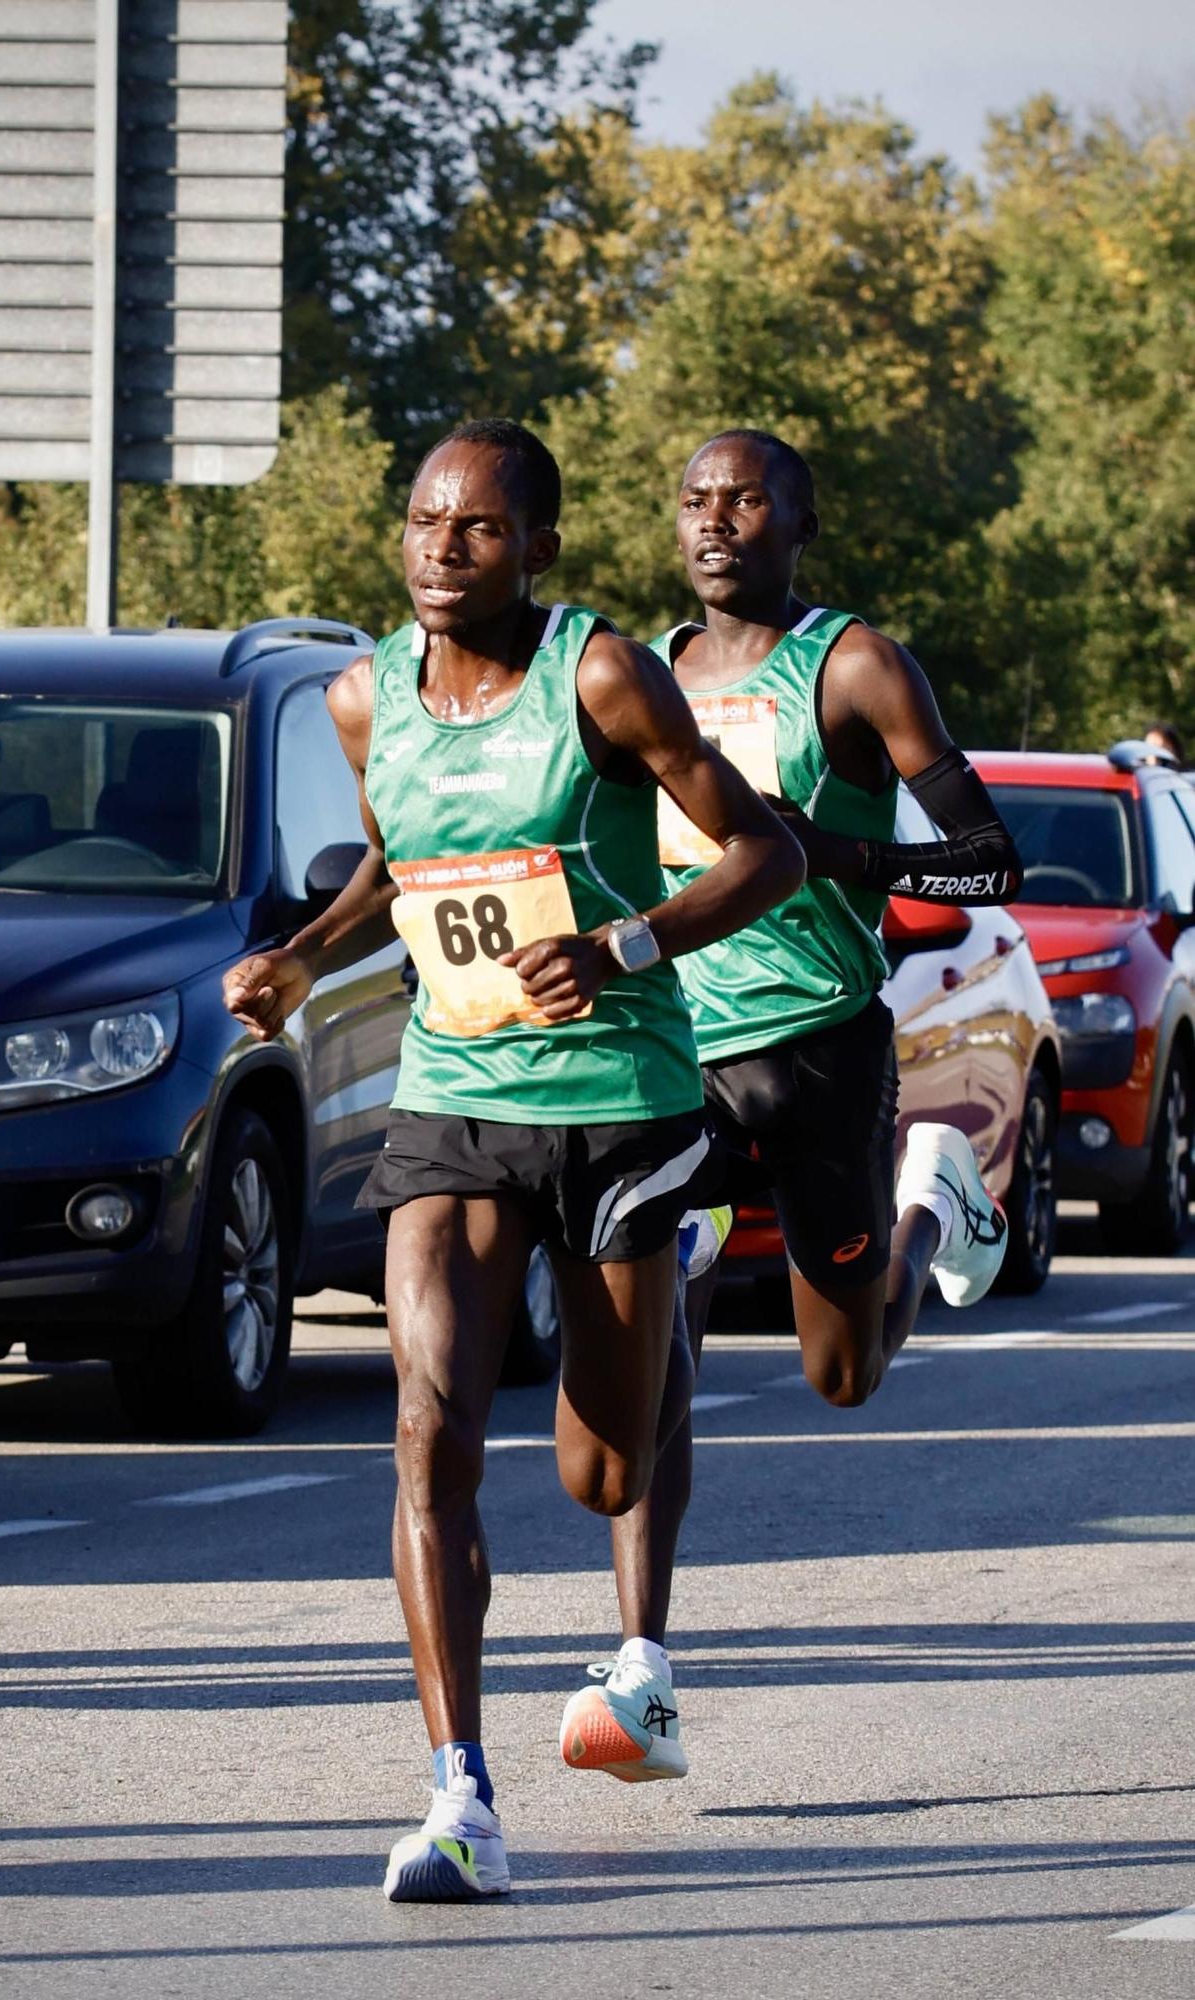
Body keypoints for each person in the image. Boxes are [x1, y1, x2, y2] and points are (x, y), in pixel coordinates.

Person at [223, 419, 806, 1900]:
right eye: (421, 523)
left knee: (601, 1471)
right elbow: (398, 863)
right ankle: (457, 1801)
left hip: (618, 1099)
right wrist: (299, 956)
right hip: (456, 1098)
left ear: (536, 547)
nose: (438, 551)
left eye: (475, 529)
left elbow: (765, 855)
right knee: (429, 1426)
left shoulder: (602, 674)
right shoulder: (366, 698)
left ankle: (645, 1431)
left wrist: (620, 943)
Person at [559, 426, 1023, 1784]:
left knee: (840, 1375)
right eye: (693, 501)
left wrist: (832, 850)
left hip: (819, 1048)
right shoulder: (633, 677)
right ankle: (639, 1669)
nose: (713, 522)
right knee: (656, 1346)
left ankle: (927, 1205)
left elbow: (991, 862)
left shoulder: (853, 663)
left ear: (796, 520)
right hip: (668, 1050)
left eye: (742, 500)